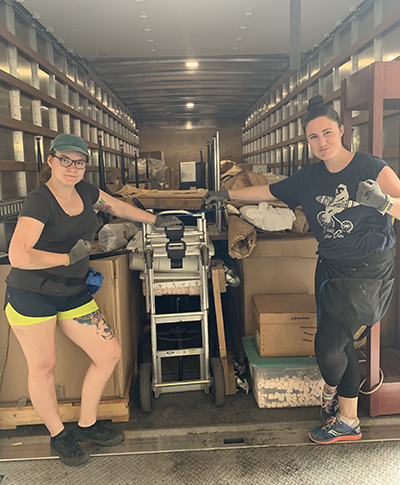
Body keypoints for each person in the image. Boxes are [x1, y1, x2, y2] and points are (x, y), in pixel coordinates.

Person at [204, 95, 400, 444]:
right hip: (328, 267)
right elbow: (268, 190)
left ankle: (330, 395)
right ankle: (347, 419)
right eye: (313, 137)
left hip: (368, 272)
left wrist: (384, 202)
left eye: (327, 133)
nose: (322, 142)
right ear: (307, 142)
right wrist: (226, 195)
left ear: (342, 130)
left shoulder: (371, 167)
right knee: (337, 344)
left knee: (327, 349)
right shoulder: (309, 178)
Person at [5, 133, 180, 466]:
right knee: (43, 367)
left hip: (72, 291)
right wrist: (67, 259)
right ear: (51, 161)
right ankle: (59, 436)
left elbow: (114, 205)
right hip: (32, 294)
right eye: (66, 160)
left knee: (108, 353)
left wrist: (154, 219)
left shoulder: (84, 191)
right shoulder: (40, 201)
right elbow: (18, 255)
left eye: (80, 162)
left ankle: (86, 424)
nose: (73, 168)